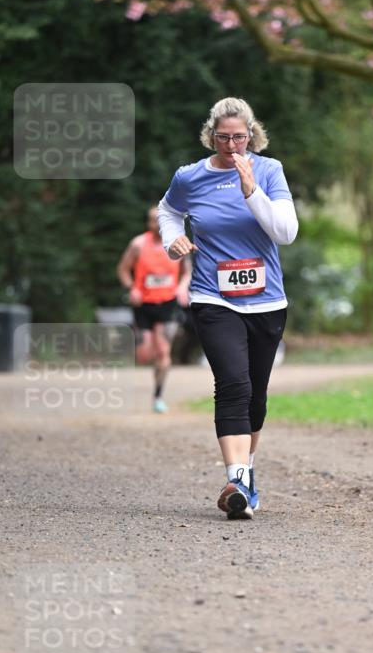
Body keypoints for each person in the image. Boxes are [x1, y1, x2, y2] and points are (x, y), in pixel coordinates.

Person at [156, 96, 298, 520]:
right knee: (233, 384)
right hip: (212, 297)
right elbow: (168, 210)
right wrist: (172, 240)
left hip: (267, 301)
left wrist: (252, 191)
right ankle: (236, 479)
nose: (232, 146)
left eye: (240, 137)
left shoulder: (268, 170)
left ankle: (246, 478)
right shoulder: (190, 177)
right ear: (211, 136)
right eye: (224, 138)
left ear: (251, 135)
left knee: (256, 394)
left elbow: (285, 233)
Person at [117, 206, 191, 413]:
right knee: (144, 355)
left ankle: (158, 396)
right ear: (148, 223)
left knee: (163, 352)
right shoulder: (138, 244)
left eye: (159, 220)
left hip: (168, 304)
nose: (156, 225)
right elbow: (122, 269)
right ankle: (152, 371)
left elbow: (187, 272)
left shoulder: (177, 243)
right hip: (143, 305)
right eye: (152, 220)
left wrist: (182, 287)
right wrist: (131, 288)